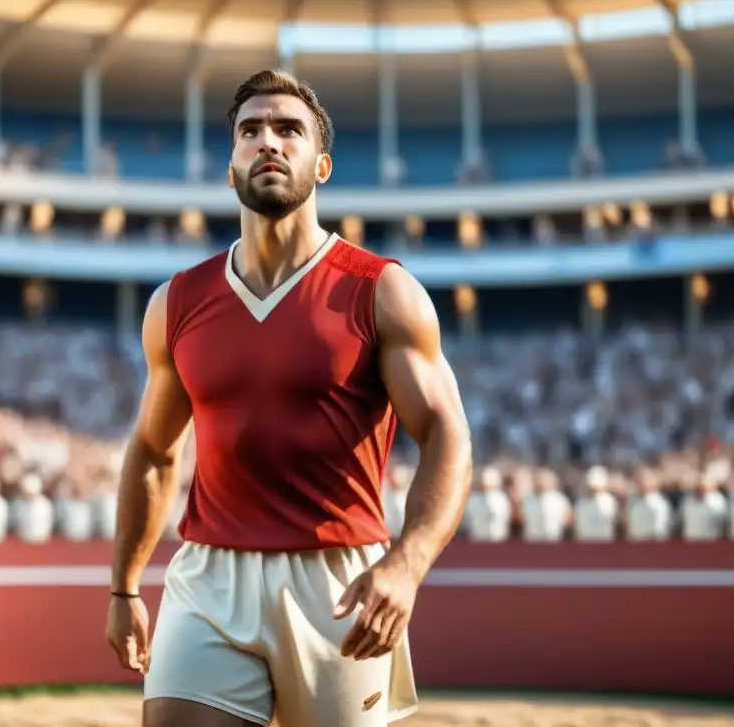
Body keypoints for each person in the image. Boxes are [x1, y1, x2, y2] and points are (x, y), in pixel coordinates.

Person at [105, 69, 472, 727]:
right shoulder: (176, 303)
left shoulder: (383, 291)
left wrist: (406, 566)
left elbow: (447, 434)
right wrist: (124, 586)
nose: (268, 142)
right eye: (251, 131)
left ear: (321, 164)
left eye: (288, 130)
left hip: (339, 582)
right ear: (230, 167)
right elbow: (155, 452)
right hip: (209, 579)